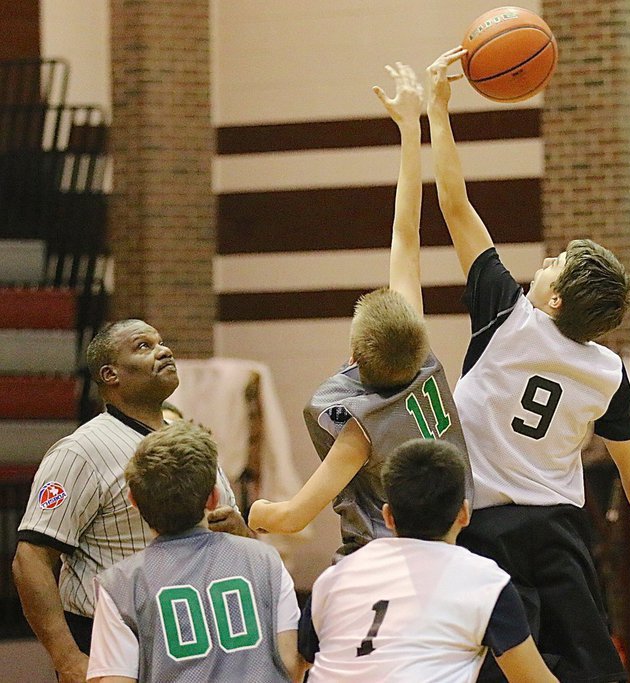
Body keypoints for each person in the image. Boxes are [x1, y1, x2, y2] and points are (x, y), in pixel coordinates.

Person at [425, 48, 630, 682]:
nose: (540, 267)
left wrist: (439, 109)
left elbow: (456, 205)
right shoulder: (608, 372)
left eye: (551, 266)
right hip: (560, 537)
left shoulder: (508, 316)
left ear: (552, 298)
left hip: (484, 534)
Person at [248, 63, 473, 560]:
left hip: (383, 561)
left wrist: (250, 511)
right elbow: (407, 236)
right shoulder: (425, 365)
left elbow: (293, 516)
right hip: (458, 552)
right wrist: (412, 130)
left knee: (306, 631)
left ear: (354, 355)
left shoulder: (359, 428)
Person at [13, 319, 250, 683]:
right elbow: (30, 560)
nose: (164, 351)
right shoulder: (81, 451)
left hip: (196, 640)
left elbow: (241, 547)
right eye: (143, 346)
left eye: (161, 342)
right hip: (110, 643)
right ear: (111, 374)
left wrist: (239, 532)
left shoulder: (193, 444)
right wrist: (68, 658)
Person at [298, 438, 557, 683]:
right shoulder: (486, 582)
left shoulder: (333, 578)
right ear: (464, 514)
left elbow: (298, 665)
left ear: (388, 517)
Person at [86, 421, 303, 682]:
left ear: (133, 500)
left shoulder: (120, 585)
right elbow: (290, 663)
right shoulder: (265, 560)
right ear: (213, 498)